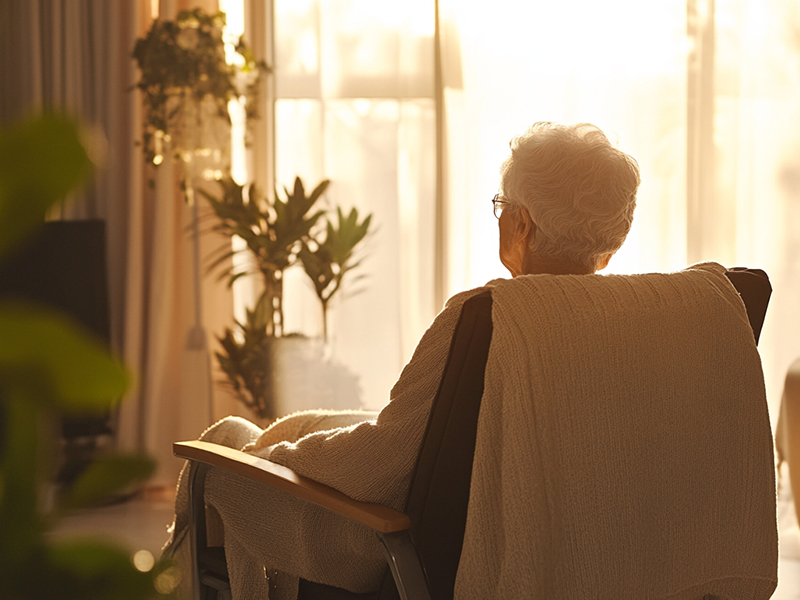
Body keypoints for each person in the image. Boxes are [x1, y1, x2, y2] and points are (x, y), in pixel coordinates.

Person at [164, 121, 641, 599]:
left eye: (502, 207)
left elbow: (380, 460)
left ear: (523, 223)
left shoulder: (484, 319)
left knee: (226, 452)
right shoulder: (635, 324)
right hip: (554, 534)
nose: (499, 219)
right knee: (295, 427)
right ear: (609, 247)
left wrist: (276, 462)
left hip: (406, 546)